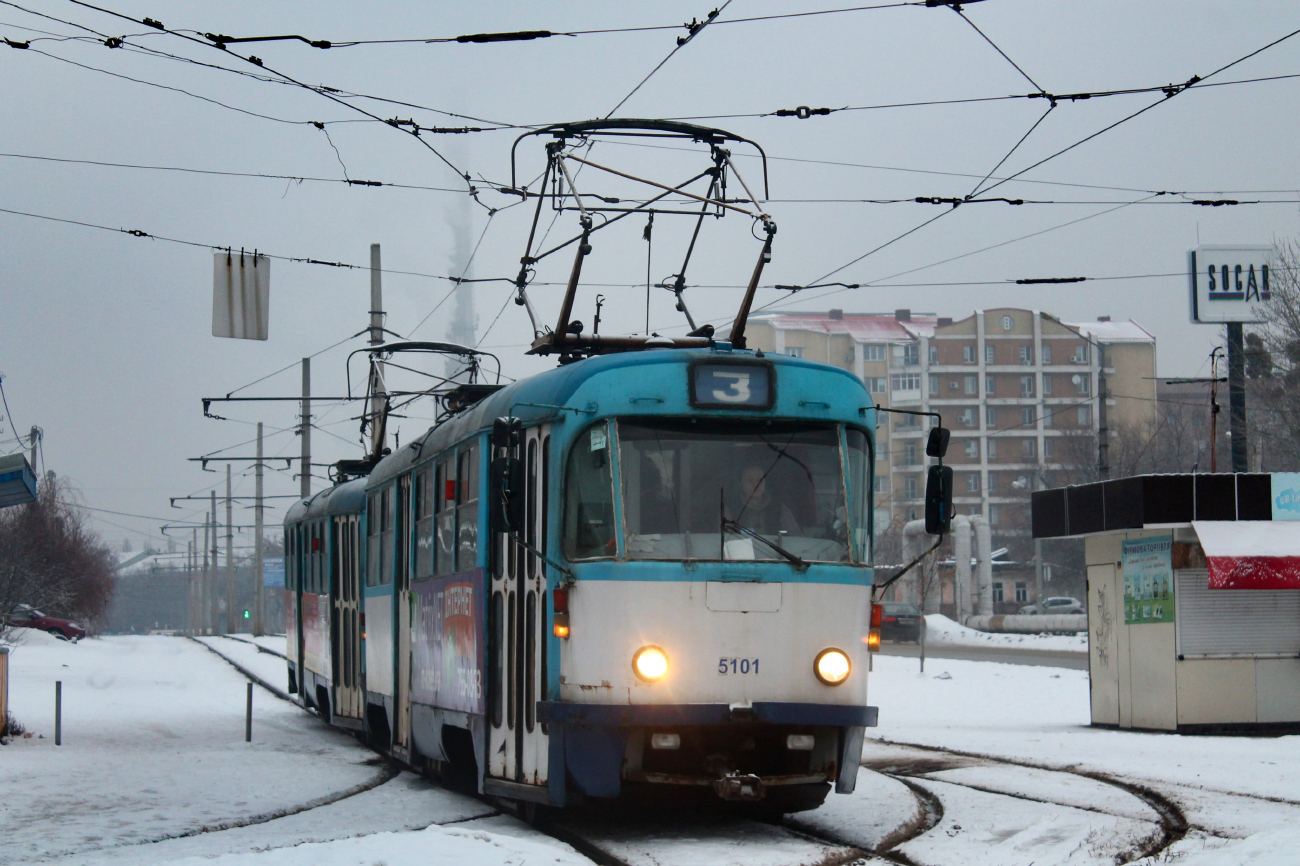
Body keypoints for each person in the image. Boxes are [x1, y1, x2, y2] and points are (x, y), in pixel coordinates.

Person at [735, 463, 803, 536]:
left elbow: (798, 540)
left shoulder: (779, 509)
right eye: (750, 480)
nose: (756, 484)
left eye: (760, 479)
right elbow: (724, 541)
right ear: (740, 484)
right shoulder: (731, 510)